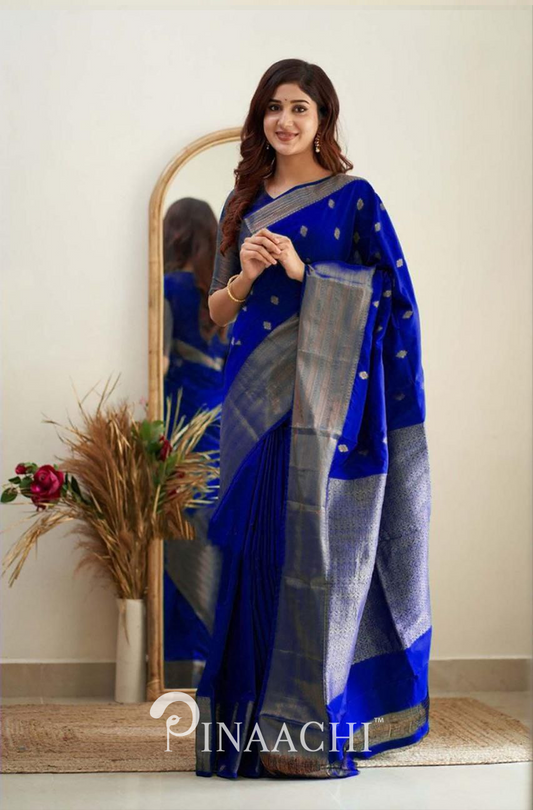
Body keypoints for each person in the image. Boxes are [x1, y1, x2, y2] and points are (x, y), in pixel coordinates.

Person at [194, 58, 432, 780]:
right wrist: (248, 273)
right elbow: (214, 312)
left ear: (322, 119)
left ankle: (298, 734)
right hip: (251, 403)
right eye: (274, 107)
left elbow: (395, 301)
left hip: (326, 407)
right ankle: (245, 731)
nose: (285, 120)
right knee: (254, 556)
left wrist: (307, 274)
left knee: (313, 559)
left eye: (300, 107)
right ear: (259, 118)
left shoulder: (354, 199)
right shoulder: (239, 201)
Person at [162, 198, 233, 686]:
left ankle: (179, 658)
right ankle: (218, 656)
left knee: (178, 538)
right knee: (216, 540)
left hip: (183, 420)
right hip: (225, 423)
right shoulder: (225, 294)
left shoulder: (168, 289)